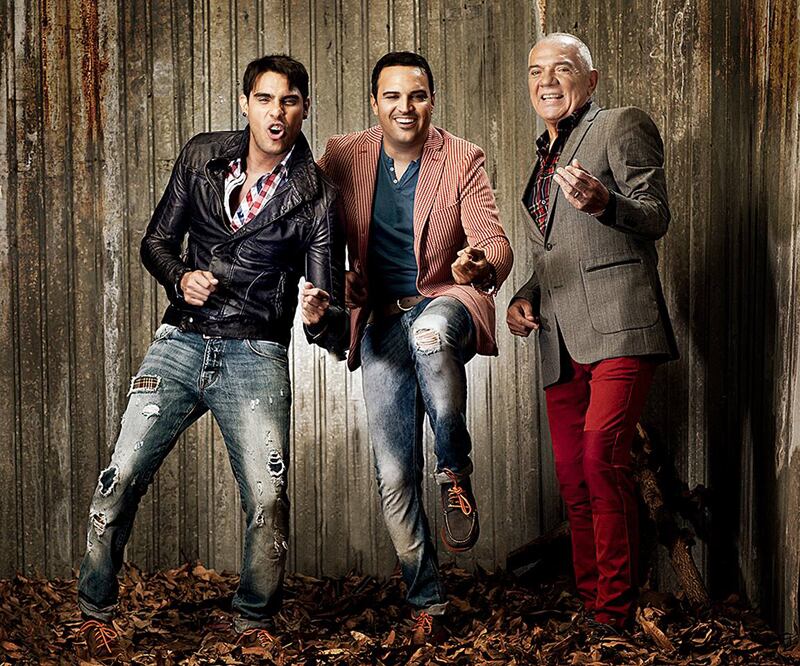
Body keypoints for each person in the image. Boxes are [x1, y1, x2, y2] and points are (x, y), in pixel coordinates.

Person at [75, 54, 347, 659]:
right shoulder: (202, 155)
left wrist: (317, 313)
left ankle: (253, 617)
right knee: (120, 477)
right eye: (265, 99)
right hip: (180, 341)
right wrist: (179, 278)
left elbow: (329, 312)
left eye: (290, 101)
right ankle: (95, 608)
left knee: (267, 498)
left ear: (304, 108)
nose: (277, 114)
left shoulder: (318, 195)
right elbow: (155, 242)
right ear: (246, 103)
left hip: (256, 352)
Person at [315, 51, 512, 644]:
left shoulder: (461, 158)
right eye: (393, 96)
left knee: (429, 334)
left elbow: (495, 243)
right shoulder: (343, 156)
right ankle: (426, 599)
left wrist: (479, 262)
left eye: (418, 95)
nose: (406, 108)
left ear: (432, 100)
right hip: (380, 323)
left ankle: (454, 469)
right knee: (395, 476)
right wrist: (334, 282)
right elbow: (305, 221)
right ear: (374, 103)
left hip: (444, 301)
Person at [506, 33, 678, 631]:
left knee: (604, 459)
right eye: (536, 71)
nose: (547, 81)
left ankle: (615, 613)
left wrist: (607, 203)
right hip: (558, 338)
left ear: (591, 79)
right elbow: (557, 252)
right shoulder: (542, 157)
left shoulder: (620, 125)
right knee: (575, 480)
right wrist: (524, 297)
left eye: (562, 68)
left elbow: (655, 214)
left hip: (620, 325)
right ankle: (591, 601)